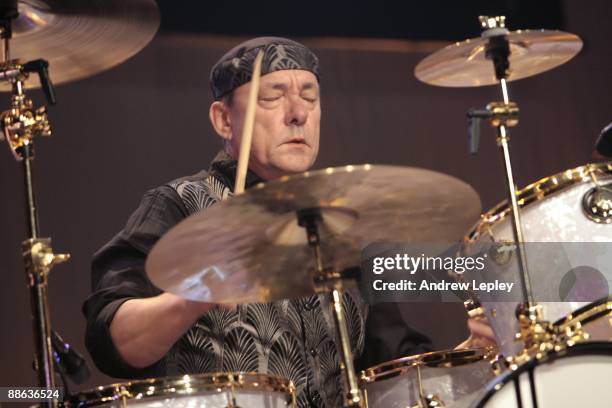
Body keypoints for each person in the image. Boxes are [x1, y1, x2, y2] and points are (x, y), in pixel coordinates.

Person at [83, 37, 491, 408]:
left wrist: (469, 357)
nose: (298, 114)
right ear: (224, 120)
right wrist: (193, 297)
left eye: (310, 98)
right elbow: (111, 344)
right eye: (272, 98)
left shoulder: (348, 223)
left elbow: (389, 368)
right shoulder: (179, 206)